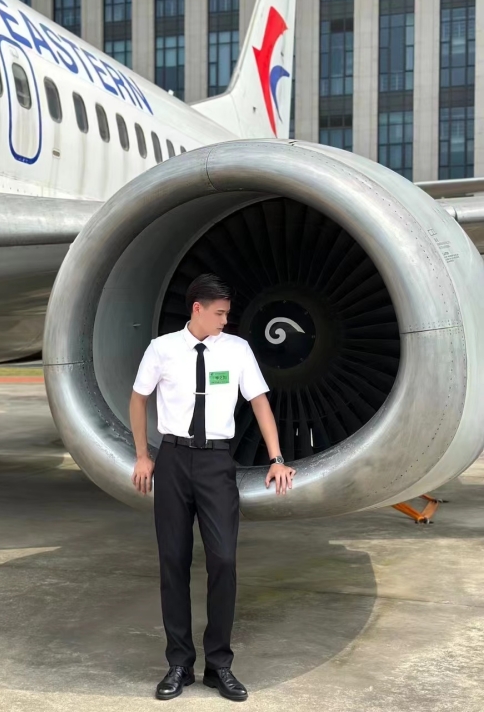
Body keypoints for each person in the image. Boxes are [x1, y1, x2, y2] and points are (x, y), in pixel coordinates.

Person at [130, 274, 296, 702]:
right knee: (173, 561)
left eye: (227, 313)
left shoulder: (237, 349)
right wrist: (143, 455)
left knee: (223, 559)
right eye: (220, 313)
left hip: (216, 462)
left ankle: (219, 664)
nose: (225, 320)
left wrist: (277, 459)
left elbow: (259, 401)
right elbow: (138, 398)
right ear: (197, 309)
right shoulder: (162, 348)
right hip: (172, 459)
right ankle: (179, 664)